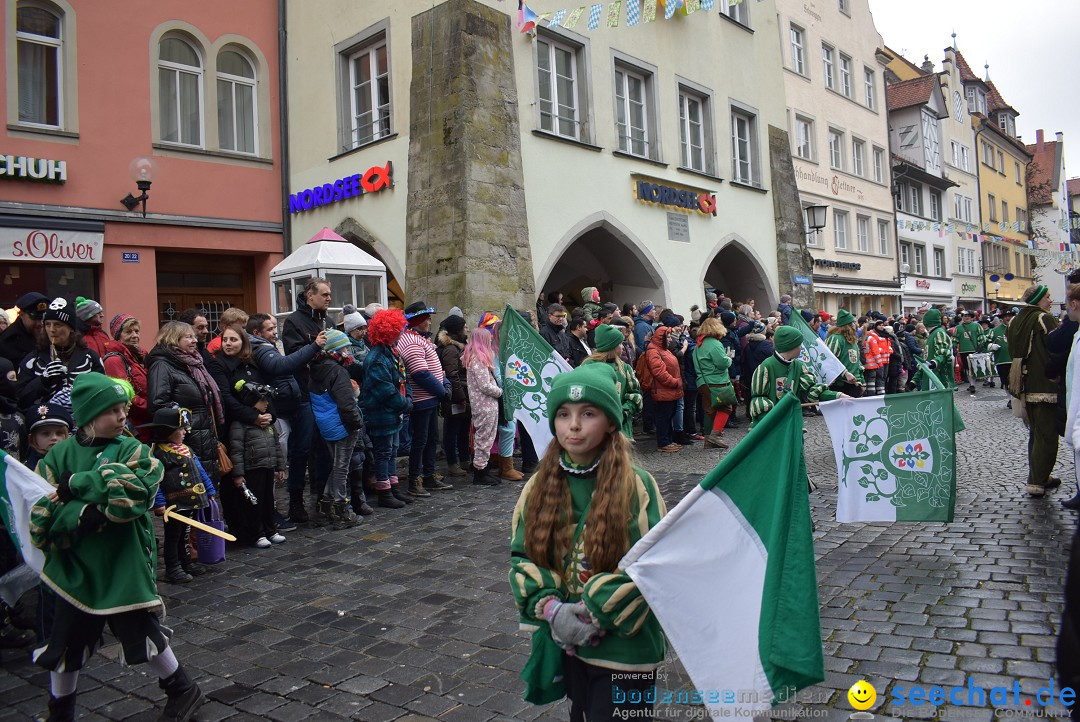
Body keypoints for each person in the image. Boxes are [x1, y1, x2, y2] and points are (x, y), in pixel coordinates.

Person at [29, 373, 203, 722]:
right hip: (76, 562)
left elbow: (134, 493)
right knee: (65, 637)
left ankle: (182, 688)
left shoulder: (132, 448)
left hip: (121, 558)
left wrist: (79, 485)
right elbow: (43, 514)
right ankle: (60, 709)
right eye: (112, 410)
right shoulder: (58, 456)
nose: (122, 416)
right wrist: (86, 512)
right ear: (90, 415)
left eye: (123, 408)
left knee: (136, 628)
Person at [509, 363, 666, 721]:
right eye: (563, 414)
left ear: (611, 422)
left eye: (589, 413)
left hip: (624, 649)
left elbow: (651, 564)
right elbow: (522, 554)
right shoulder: (539, 485)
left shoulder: (637, 484)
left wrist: (595, 611)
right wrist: (552, 610)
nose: (574, 425)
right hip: (566, 641)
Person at [209, 327, 287, 543]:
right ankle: (248, 531)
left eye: (234, 340)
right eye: (225, 339)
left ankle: (267, 526)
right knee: (243, 485)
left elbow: (267, 391)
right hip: (238, 427)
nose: (228, 343)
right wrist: (253, 416)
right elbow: (226, 397)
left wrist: (268, 414)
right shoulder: (219, 364)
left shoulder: (252, 364)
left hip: (261, 428)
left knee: (264, 486)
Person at [247, 312, 326, 524]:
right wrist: (314, 346)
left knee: (301, 452)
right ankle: (271, 510)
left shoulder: (273, 345)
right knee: (276, 459)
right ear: (256, 332)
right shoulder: (260, 348)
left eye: (275, 328)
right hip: (278, 409)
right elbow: (282, 366)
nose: (275, 332)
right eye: (270, 329)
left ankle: (296, 502)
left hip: (296, 401)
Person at [144, 406, 218, 582]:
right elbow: (157, 481)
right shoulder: (159, 454)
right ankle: (173, 567)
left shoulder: (186, 449)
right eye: (181, 429)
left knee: (185, 532)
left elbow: (199, 471)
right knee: (173, 536)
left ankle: (185, 561)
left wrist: (209, 490)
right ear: (167, 431)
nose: (185, 432)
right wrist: (159, 502)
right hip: (174, 504)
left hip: (190, 501)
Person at [146, 321, 225, 485]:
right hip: (185, 442)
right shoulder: (162, 365)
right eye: (189, 337)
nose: (195, 341)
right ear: (173, 339)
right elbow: (158, 405)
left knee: (206, 495)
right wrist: (182, 424)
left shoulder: (193, 364)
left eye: (194, 337)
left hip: (204, 439)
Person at [281, 279, 332, 520]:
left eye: (329, 294)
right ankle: (296, 502)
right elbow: (293, 358)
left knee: (324, 449)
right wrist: (315, 346)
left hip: (327, 394)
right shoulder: (294, 321)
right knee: (301, 450)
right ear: (310, 295)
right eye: (324, 294)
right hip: (304, 394)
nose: (329, 298)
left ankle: (322, 496)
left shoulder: (327, 320)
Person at [1007, 284, 1061, 497]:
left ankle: (1039, 474)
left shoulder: (1015, 320)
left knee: (1036, 432)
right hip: (1044, 383)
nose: (1050, 300)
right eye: (1047, 297)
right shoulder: (1043, 318)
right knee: (1046, 435)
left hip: (1022, 382)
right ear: (1038, 299)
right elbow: (1055, 347)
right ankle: (1037, 480)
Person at [397, 300, 453, 497]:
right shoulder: (411, 341)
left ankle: (428, 475)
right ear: (418, 321)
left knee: (430, 439)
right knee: (420, 440)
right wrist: (442, 390)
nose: (430, 322)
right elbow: (420, 373)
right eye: (426, 319)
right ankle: (415, 479)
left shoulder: (419, 338)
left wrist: (444, 382)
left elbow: (434, 367)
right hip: (422, 400)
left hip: (429, 398)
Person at [308, 329, 363, 529]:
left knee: (336, 466)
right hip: (342, 424)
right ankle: (342, 511)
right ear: (335, 350)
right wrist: (356, 423)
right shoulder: (337, 371)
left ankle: (325, 505)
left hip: (327, 425)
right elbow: (346, 402)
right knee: (342, 469)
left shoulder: (316, 368)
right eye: (345, 348)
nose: (348, 351)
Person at [361, 309, 412, 508]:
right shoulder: (376, 358)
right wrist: (405, 404)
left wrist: (407, 398)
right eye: (398, 330)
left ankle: (394, 487)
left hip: (394, 411)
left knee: (392, 451)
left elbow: (402, 378)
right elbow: (385, 390)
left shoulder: (391, 352)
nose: (401, 333)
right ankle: (385, 492)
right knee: (383, 452)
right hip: (381, 413)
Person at [17, 297, 104, 411]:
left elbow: (103, 394)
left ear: (71, 328)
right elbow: (20, 400)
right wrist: (43, 379)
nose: (52, 330)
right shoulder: (33, 359)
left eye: (58, 325)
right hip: (44, 422)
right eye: (48, 324)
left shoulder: (91, 358)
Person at [750, 326, 845, 425]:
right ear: (791, 346)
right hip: (772, 426)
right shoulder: (766, 367)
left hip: (792, 423)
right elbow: (759, 400)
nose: (801, 348)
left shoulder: (799, 366)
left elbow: (812, 390)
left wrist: (838, 396)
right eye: (799, 345)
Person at [581, 323, 642, 438]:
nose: (623, 347)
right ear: (611, 346)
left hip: (621, 429)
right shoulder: (588, 367)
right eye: (620, 344)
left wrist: (625, 411)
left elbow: (635, 394)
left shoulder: (625, 367)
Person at [464, 320, 503, 486]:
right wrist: (500, 392)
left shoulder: (477, 359)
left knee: (486, 437)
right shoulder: (478, 361)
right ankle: (480, 471)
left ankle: (483, 468)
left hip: (486, 404)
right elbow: (485, 385)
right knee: (484, 438)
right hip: (484, 405)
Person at [103, 313, 151, 437]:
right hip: (134, 426)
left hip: (147, 422)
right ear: (118, 336)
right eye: (128, 332)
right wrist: (151, 406)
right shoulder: (114, 360)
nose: (134, 335)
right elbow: (123, 395)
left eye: (136, 331)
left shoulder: (141, 356)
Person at [436, 312, 470, 478]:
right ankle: (452, 463)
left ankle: (464, 459)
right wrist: (460, 396)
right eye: (464, 327)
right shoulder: (450, 350)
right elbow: (452, 374)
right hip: (456, 396)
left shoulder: (458, 347)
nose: (467, 330)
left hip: (463, 393)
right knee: (452, 430)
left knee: (463, 429)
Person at [694, 317, 735, 449]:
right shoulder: (714, 343)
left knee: (709, 411)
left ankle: (708, 440)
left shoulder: (699, 344)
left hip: (703, 382)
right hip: (716, 381)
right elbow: (722, 363)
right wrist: (729, 359)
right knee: (726, 407)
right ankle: (714, 436)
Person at [644, 324, 683, 452]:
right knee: (663, 417)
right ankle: (663, 442)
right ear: (662, 338)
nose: (671, 339)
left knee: (668, 416)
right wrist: (674, 382)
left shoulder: (663, 349)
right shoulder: (653, 351)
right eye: (668, 337)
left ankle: (668, 440)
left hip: (669, 390)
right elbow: (659, 373)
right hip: (663, 390)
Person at [0, 292, 48, 367]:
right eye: (34, 319)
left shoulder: (49, 334)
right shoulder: (7, 340)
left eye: (43, 318)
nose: (40, 323)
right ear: (22, 315)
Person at [23, 402, 72, 472]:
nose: (54, 437)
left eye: (59, 433)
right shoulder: (26, 469)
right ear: (32, 438)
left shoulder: (73, 461)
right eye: (46, 434)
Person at [825, 310, 864, 397]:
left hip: (854, 384)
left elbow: (857, 363)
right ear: (848, 325)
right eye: (853, 322)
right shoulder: (835, 339)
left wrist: (861, 381)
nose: (856, 325)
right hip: (841, 385)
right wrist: (844, 373)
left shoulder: (852, 340)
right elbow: (829, 359)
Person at [921, 308, 955, 390]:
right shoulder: (931, 334)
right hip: (930, 375)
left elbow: (943, 353)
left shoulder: (938, 333)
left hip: (938, 375)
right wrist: (915, 380)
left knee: (941, 401)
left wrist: (935, 362)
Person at [955, 309, 984, 394]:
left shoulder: (977, 326)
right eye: (965, 316)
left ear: (971, 317)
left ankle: (973, 383)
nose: (967, 317)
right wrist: (953, 347)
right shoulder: (958, 328)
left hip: (974, 350)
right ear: (962, 317)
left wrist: (981, 346)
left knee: (974, 367)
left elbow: (981, 336)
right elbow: (955, 339)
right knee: (967, 368)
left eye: (968, 316)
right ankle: (972, 384)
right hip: (963, 351)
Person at [987, 308, 1014, 395]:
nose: (1008, 318)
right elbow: (986, 343)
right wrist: (991, 346)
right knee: (1005, 381)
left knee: (1015, 381)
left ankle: (1015, 399)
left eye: (1010, 316)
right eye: (1006, 316)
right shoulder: (994, 331)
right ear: (1002, 318)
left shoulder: (1018, 329)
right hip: (1001, 360)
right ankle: (1010, 398)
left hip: (1015, 360)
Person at [861, 319, 891, 397]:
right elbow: (876, 351)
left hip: (864, 363)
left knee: (867, 381)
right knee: (874, 380)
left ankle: (867, 394)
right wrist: (879, 363)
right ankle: (878, 395)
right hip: (873, 364)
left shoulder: (860, 339)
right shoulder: (872, 338)